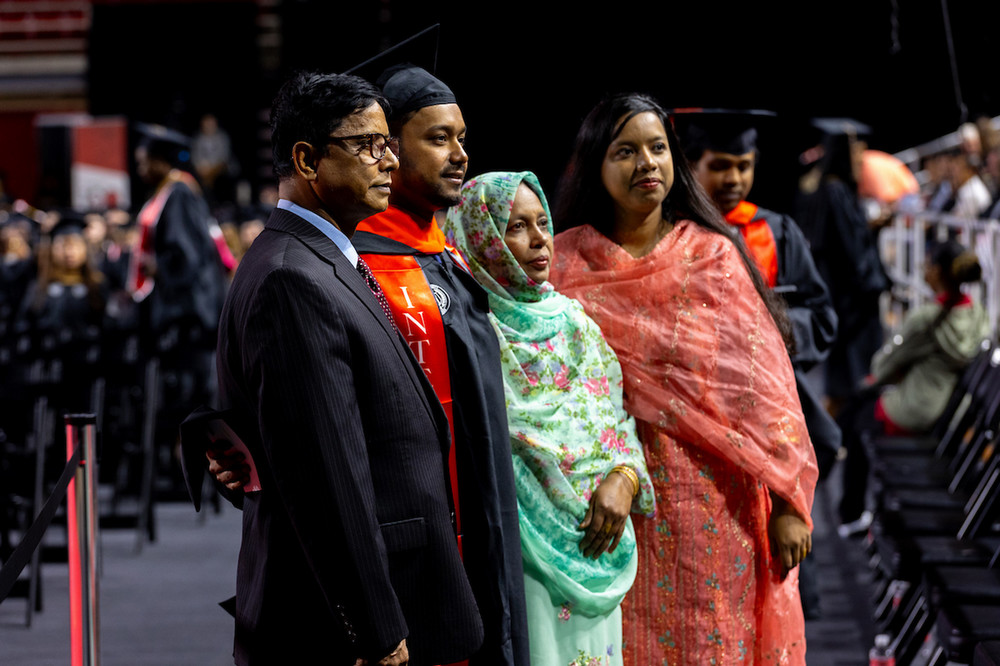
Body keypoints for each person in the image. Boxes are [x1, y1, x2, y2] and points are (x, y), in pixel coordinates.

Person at [213, 71, 483, 666]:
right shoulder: (292, 276)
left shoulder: (318, 258)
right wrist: (376, 628)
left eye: (389, 143)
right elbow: (327, 474)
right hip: (349, 625)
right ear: (307, 160)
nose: (388, 160)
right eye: (367, 145)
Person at [550, 93, 818, 665]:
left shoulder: (712, 257)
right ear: (596, 162)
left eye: (657, 148)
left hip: (713, 503)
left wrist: (790, 500)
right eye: (625, 151)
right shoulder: (563, 265)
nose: (646, 163)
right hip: (604, 505)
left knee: (710, 643)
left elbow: (763, 387)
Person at [350, 64, 530, 666]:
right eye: (437, 138)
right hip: (413, 531)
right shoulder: (358, 267)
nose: (460, 154)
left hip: (482, 514)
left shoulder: (448, 255)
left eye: (461, 137)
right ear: (387, 150)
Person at [442, 171, 656, 666]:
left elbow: (615, 422)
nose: (540, 239)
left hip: (592, 541)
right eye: (516, 226)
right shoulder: (470, 332)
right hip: (514, 551)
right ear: (482, 236)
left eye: (542, 222)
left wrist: (623, 476)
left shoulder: (574, 322)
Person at [675, 111, 841, 619]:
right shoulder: (674, 232)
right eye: (720, 166)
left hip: (771, 399)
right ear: (690, 165)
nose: (733, 180)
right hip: (697, 403)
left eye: (744, 166)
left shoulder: (774, 231)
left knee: (822, 447)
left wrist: (772, 335)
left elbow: (822, 316)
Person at [835, 240, 992, 528]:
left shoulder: (927, 318)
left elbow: (884, 366)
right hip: (954, 413)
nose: (923, 269)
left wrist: (891, 373)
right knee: (857, 409)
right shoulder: (978, 314)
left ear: (940, 273)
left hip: (916, 409)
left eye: (928, 264)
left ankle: (851, 514)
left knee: (858, 417)